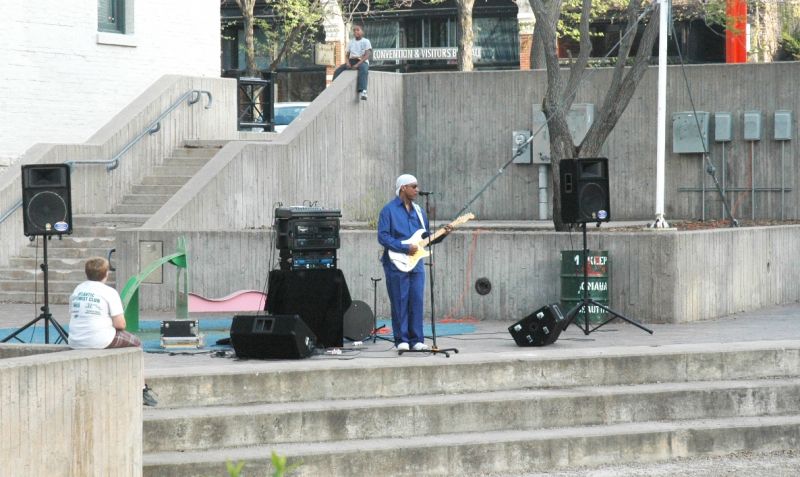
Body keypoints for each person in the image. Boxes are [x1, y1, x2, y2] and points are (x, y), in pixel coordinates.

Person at [69, 257, 157, 406]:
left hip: (75, 339)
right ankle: (141, 389)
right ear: (106, 274)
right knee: (136, 343)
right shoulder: (109, 292)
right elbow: (120, 324)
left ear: (86, 273)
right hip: (100, 339)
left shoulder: (78, 289)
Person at [378, 174, 451, 352]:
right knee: (400, 301)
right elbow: (383, 237)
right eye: (414, 186)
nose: (417, 190)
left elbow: (425, 238)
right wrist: (404, 248)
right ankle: (402, 339)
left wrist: (442, 234)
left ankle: (417, 339)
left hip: (416, 262)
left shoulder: (419, 211)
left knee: (416, 300)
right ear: (403, 188)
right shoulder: (388, 210)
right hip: (396, 262)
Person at [333, 24, 371, 100]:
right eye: (354, 30)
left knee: (364, 69)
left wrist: (358, 64)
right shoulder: (351, 42)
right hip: (352, 60)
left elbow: (367, 55)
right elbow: (347, 55)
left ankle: (363, 91)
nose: (355, 32)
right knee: (338, 71)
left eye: (358, 30)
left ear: (362, 32)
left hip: (362, 61)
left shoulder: (366, 41)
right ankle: (334, 88)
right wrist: (347, 63)